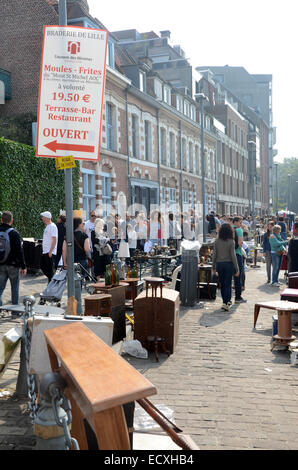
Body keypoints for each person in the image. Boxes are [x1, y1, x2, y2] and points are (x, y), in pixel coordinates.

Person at [0, 211, 27, 307]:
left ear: (1, 220)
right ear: (11, 220)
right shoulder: (14, 233)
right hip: (13, 265)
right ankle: (15, 312)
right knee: (14, 288)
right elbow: (19, 251)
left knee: (0, 288)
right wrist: (23, 266)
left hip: (1, 264)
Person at [212, 223, 239, 311]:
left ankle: (225, 302)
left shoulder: (217, 241)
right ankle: (227, 302)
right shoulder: (231, 241)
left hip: (220, 264)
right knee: (228, 284)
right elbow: (233, 256)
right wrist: (237, 268)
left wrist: (213, 267)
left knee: (222, 284)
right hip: (229, 264)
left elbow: (214, 255)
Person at [232, 216, 247, 303]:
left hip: (228, 255)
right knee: (238, 275)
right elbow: (240, 243)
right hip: (237, 254)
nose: (241, 225)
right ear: (236, 222)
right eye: (240, 223)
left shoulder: (229, 229)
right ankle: (238, 297)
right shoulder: (239, 230)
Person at [40, 211, 57, 283]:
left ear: (47, 218)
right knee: (43, 266)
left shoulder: (52, 226)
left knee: (49, 270)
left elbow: (54, 239)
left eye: (43, 217)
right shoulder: (48, 226)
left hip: (49, 252)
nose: (42, 218)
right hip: (45, 251)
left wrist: (51, 251)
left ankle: (51, 285)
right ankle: (51, 282)